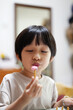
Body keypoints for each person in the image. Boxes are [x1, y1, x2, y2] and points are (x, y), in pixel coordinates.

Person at [0, 25, 73, 110]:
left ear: (51, 58)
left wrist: (61, 103)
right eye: (30, 51)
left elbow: (50, 107)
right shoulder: (9, 81)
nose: (37, 57)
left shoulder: (50, 83)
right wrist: (24, 99)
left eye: (43, 51)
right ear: (18, 56)